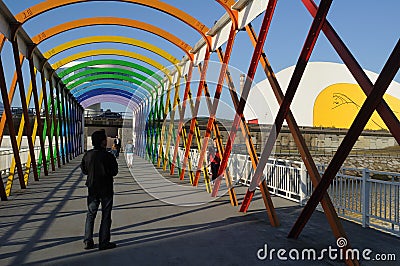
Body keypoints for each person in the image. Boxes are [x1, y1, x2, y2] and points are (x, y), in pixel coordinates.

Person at [81, 130, 118, 250]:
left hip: (92, 188)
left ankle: (88, 240)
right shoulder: (108, 156)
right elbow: (114, 172)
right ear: (103, 142)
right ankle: (103, 242)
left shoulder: (88, 155)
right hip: (106, 188)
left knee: (91, 214)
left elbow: (84, 170)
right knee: (106, 215)